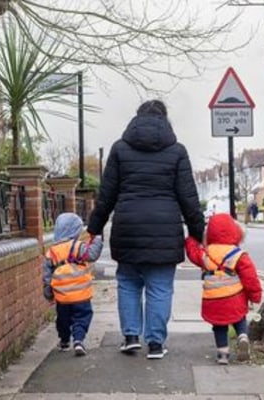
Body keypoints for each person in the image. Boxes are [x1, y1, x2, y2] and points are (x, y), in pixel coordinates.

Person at [86, 99, 205, 359]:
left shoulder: (119, 149)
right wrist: (198, 233)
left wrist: (93, 229)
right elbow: (189, 197)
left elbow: (106, 196)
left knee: (128, 283)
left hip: (127, 227)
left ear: (137, 119)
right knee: (160, 287)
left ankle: (130, 337)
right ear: (165, 120)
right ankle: (155, 343)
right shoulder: (177, 151)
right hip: (165, 230)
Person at [185, 213, 262, 365]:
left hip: (213, 299)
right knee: (240, 318)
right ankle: (242, 336)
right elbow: (250, 276)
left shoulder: (206, 253)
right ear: (235, 231)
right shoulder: (238, 254)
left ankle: (223, 354)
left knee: (219, 326)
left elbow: (193, 254)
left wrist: (190, 240)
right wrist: (255, 296)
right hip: (235, 297)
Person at [42, 213, 103, 356]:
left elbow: (46, 275)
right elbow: (92, 254)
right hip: (82, 294)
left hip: (62, 296)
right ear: (76, 230)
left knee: (63, 319)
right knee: (82, 317)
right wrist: (97, 239)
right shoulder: (78, 247)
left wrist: (48, 292)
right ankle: (78, 340)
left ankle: (64, 340)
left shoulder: (52, 252)